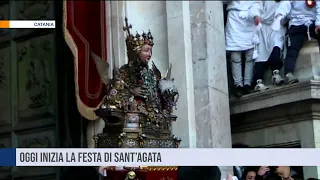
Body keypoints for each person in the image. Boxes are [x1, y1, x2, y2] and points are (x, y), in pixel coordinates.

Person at [274, 1, 320, 84]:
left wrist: (318, 23)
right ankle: (288, 74)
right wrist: (280, 15)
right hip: (297, 23)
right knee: (292, 49)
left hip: (312, 23)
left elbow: (319, 6)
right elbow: (285, 3)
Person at [225, 1, 262, 97]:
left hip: (249, 21)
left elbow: (256, 3)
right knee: (235, 56)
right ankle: (238, 85)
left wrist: (255, 15)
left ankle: (247, 83)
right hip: (234, 19)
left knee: (250, 55)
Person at [254, 1, 286, 92]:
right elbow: (256, 6)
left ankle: (276, 73)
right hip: (262, 27)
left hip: (276, 26)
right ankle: (258, 81)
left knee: (276, 47)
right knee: (260, 54)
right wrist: (256, 16)